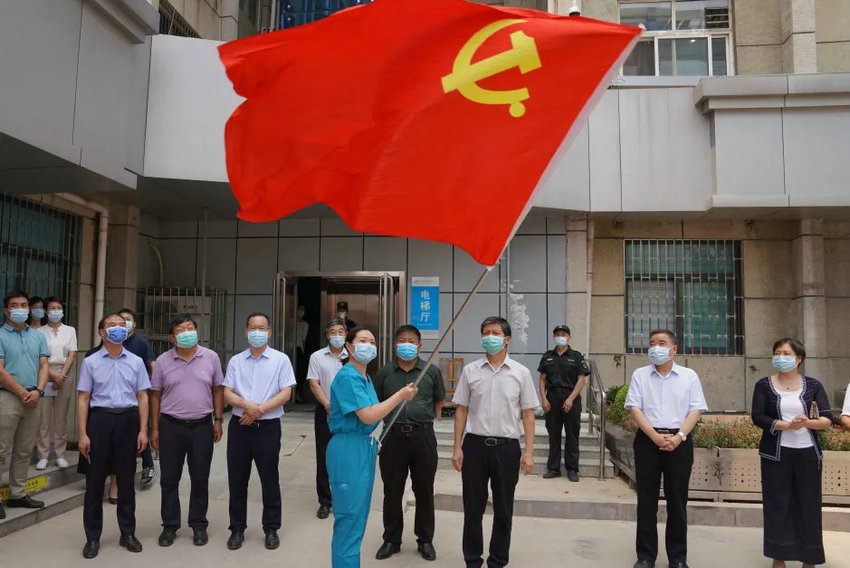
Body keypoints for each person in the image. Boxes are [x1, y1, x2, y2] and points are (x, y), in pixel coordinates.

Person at [326, 327, 417, 568]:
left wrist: (372, 439)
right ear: (349, 346)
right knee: (349, 518)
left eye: (372, 342)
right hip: (347, 450)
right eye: (363, 340)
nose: (369, 345)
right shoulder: (348, 376)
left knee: (358, 518)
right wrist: (400, 396)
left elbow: (370, 419)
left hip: (362, 446)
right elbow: (367, 415)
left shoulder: (364, 378)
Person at [451, 316, 538, 568]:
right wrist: (457, 447)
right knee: (472, 508)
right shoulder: (470, 371)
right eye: (486, 332)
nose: (490, 337)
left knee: (503, 508)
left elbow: (528, 414)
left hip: (506, 448)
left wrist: (529, 452)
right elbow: (461, 410)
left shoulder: (521, 373)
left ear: (506, 339)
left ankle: (498, 560)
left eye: (495, 333)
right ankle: (472, 559)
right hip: (474, 446)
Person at [624, 329, 708, 568]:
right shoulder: (640, 375)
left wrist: (679, 437)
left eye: (662, 343)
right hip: (647, 441)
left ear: (674, 349)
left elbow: (696, 409)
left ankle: (678, 558)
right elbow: (634, 407)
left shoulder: (689, 376)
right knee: (646, 501)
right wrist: (654, 436)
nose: (655, 347)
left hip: (679, 442)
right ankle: (645, 556)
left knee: (677, 502)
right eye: (652, 343)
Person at [751, 338, 833, 568]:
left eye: (786, 353)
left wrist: (806, 423)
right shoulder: (764, 385)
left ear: (799, 359)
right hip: (775, 455)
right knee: (777, 504)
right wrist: (785, 425)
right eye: (777, 353)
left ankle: (810, 558)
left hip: (807, 454)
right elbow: (758, 416)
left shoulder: (813, 385)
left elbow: (827, 419)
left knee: (808, 505)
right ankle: (779, 557)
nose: (781, 357)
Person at [77, 313, 150, 559]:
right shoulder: (91, 362)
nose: (118, 328)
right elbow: (83, 398)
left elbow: (143, 396)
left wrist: (143, 430)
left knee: (126, 481)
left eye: (122, 324)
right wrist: (82, 433)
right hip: (100, 420)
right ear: (102, 332)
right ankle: (92, 537)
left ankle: (127, 533)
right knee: (95, 482)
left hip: (128, 421)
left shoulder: (136, 361)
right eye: (112, 325)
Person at [222, 312, 296, 551]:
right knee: (237, 479)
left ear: (269, 332)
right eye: (253, 328)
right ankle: (237, 528)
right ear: (246, 331)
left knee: (269, 479)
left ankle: (271, 528)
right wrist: (247, 406)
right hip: (239, 427)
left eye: (262, 328)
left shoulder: (281, 360)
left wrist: (259, 410)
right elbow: (227, 393)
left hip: (268, 428)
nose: (257, 332)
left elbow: (286, 393)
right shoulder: (236, 361)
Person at [150, 315, 224, 547]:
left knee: (200, 477)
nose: (186, 333)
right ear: (172, 338)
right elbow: (155, 395)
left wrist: (218, 420)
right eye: (180, 330)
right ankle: (170, 525)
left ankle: (199, 524)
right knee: (169, 479)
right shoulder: (163, 361)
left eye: (189, 328)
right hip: (170, 426)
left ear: (197, 331)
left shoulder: (211, 357)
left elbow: (218, 389)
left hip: (202, 426)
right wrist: (154, 428)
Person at [373, 324, 445, 561]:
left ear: (419, 345)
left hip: (423, 436)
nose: (406, 344)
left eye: (411, 341)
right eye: (402, 340)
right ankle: (391, 539)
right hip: (392, 437)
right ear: (395, 344)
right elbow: (376, 403)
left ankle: (425, 540)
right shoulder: (384, 372)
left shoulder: (431, 371)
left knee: (424, 490)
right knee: (392, 490)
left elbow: (438, 402)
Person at [0, 290, 49, 520]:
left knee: (23, 449)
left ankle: (17, 494)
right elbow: (0, 370)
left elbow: (44, 365)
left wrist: (38, 391)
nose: (19, 309)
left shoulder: (37, 336)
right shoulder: (1, 335)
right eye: (14, 305)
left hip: (34, 397)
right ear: (6, 310)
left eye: (23, 305)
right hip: (8, 397)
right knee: (1, 450)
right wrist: (21, 392)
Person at [307, 319, 347, 519]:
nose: (337, 335)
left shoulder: (353, 355)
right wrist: (328, 405)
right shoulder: (317, 356)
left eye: (341, 331)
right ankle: (325, 500)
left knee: (345, 456)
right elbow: (314, 383)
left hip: (349, 413)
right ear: (327, 335)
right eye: (333, 331)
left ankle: (343, 498)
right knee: (324, 455)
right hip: (325, 410)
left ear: (346, 334)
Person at [538, 324, 589, 482]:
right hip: (552, 398)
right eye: (558, 334)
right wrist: (543, 399)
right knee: (553, 435)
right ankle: (553, 469)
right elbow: (542, 379)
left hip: (571, 398)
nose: (561, 336)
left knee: (572, 435)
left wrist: (571, 398)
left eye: (564, 334)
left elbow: (581, 380)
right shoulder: (547, 356)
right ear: (554, 337)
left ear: (569, 337)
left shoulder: (576, 357)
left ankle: (572, 469)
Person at [35, 296, 78, 470]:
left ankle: (60, 454)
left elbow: (72, 354)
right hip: (44, 373)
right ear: (46, 311)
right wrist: (52, 375)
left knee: (61, 418)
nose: (55, 311)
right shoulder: (38, 332)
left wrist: (61, 376)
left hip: (64, 374)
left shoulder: (70, 330)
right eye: (52, 308)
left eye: (58, 308)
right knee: (43, 418)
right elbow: (39, 356)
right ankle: (43, 455)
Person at [119, 308, 157, 490]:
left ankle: (148, 464)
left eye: (128, 319)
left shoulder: (141, 343)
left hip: (138, 393)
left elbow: (152, 365)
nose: (124, 322)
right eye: (121, 319)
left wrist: (155, 389)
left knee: (139, 428)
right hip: (118, 393)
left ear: (134, 324)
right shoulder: (112, 340)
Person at [295, 304, 309, 401]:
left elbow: (304, 339)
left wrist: (303, 351)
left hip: (299, 348)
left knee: (300, 372)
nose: (300, 311)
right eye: (299, 309)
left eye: (302, 310)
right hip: (289, 348)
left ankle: (298, 393)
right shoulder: (289, 322)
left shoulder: (305, 324)